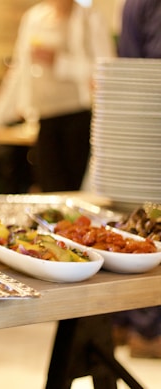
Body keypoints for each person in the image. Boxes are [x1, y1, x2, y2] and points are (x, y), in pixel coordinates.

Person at [0, 0, 116, 193]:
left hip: (78, 115)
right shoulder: (34, 18)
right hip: (44, 116)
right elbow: (19, 72)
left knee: (72, 187)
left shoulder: (90, 18)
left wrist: (59, 61)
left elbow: (104, 69)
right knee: (49, 184)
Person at [112, 0, 161, 359]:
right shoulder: (142, 5)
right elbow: (130, 76)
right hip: (148, 135)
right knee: (146, 225)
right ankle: (142, 328)